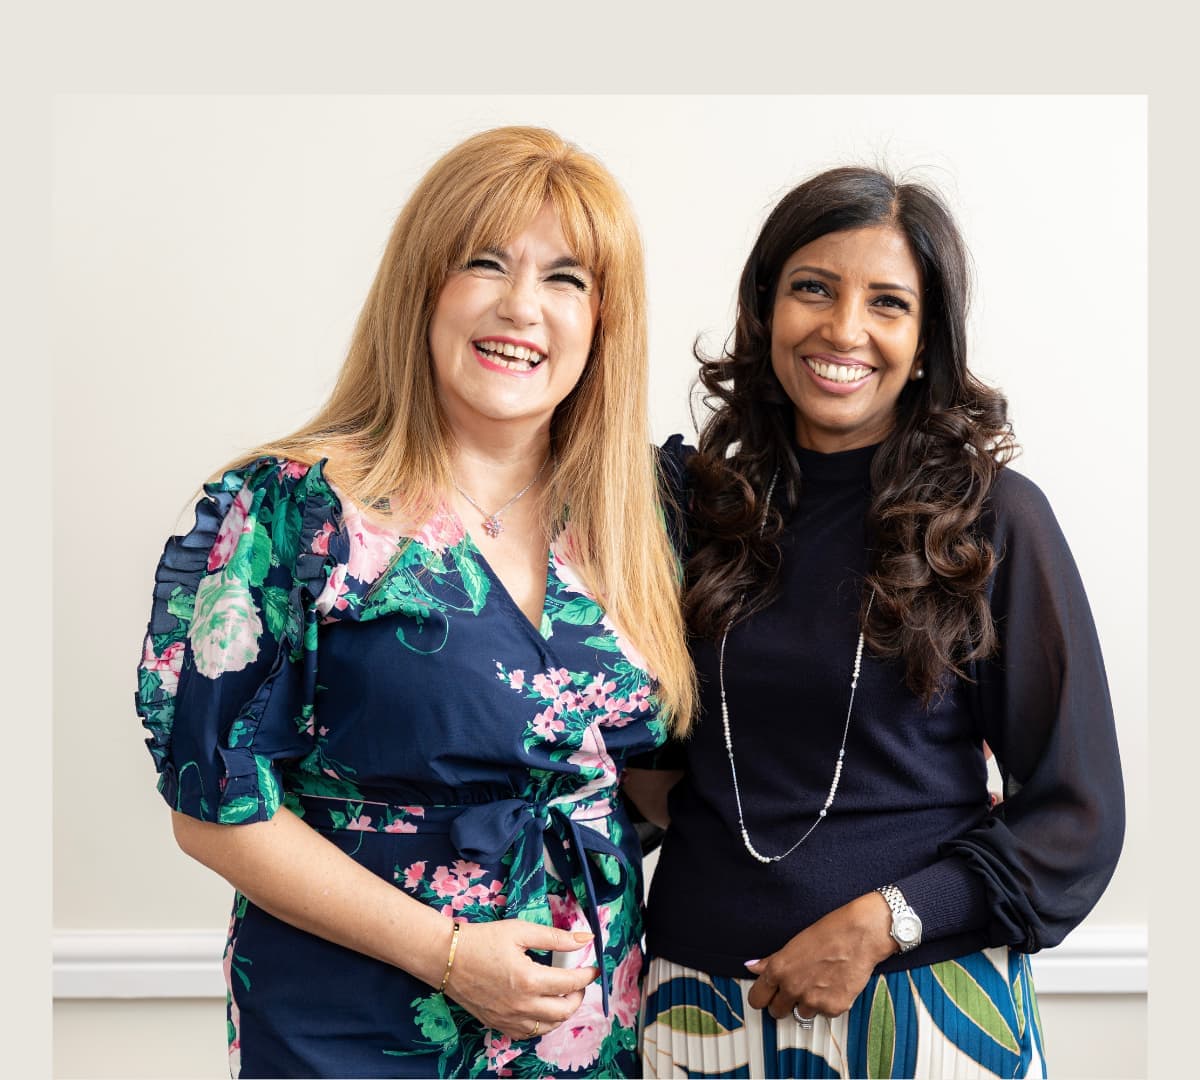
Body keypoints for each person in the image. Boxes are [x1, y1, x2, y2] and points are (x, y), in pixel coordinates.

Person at [134, 125, 694, 1079]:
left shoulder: (646, 521)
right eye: (484, 263)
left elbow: (655, 777)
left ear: (604, 321)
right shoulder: (294, 509)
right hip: (352, 1023)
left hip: (588, 1026)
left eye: (567, 279)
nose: (522, 306)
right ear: (421, 288)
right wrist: (450, 954)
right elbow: (213, 806)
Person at [631, 166, 1125, 1078]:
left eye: (887, 303)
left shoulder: (993, 522)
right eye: (813, 288)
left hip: (921, 1003)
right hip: (693, 1005)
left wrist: (883, 921)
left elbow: (1077, 814)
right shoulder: (688, 511)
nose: (844, 329)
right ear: (764, 308)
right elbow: (638, 760)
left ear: (927, 340)